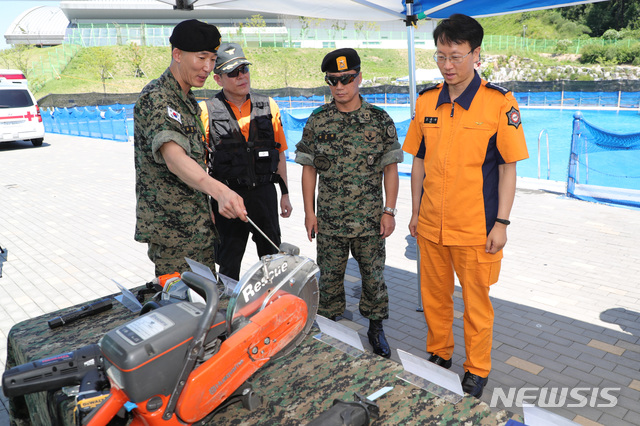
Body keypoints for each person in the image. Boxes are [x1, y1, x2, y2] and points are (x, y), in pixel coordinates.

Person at [402, 14, 529, 398]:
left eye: (456, 56)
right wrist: (414, 212)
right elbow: (418, 162)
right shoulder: (427, 100)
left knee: (477, 305)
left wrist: (502, 223)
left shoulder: (498, 104)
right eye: (441, 56)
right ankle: (440, 353)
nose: (447, 66)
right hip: (431, 225)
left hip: (477, 227)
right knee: (434, 297)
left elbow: (508, 168)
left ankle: (477, 369)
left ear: (476, 54)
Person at [295, 48, 403, 359]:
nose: (340, 87)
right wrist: (309, 213)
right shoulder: (318, 121)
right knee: (328, 279)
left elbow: (390, 169)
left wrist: (389, 211)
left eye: (346, 79)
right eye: (333, 81)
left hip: (370, 220)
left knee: (373, 278)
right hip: (329, 220)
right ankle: (330, 329)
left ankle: (376, 327)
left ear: (359, 77)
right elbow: (308, 169)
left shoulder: (379, 120)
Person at [134, 19, 247, 277]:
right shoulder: (157, 97)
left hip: (197, 228)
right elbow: (174, 158)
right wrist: (220, 191)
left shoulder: (187, 100)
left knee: (205, 304)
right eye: (201, 58)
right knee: (185, 308)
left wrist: (206, 206)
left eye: (212, 59)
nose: (208, 68)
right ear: (177, 54)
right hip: (173, 233)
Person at [199, 43, 292, 281]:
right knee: (229, 264)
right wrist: (207, 207)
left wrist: (285, 194)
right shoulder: (206, 111)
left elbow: (279, 152)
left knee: (272, 258)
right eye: (233, 72)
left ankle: (271, 305)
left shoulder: (268, 105)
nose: (241, 76)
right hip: (227, 199)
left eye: (244, 69)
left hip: (264, 195)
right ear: (218, 79)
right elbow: (199, 164)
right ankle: (227, 311)